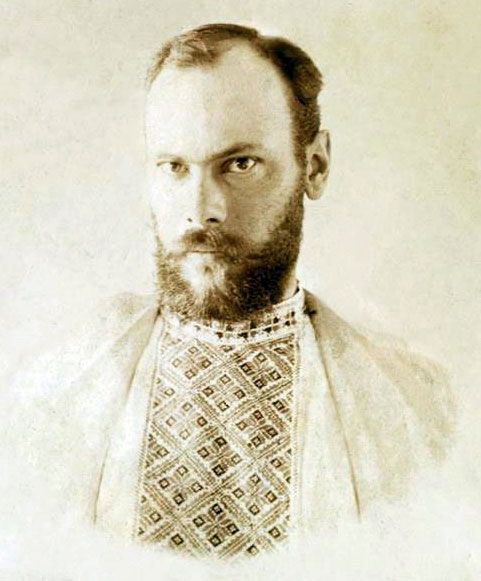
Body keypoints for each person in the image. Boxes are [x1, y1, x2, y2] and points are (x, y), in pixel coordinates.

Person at [1, 23, 454, 561]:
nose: (201, 210)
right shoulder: (51, 398)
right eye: (174, 167)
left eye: (240, 164)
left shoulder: (417, 409)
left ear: (315, 166)